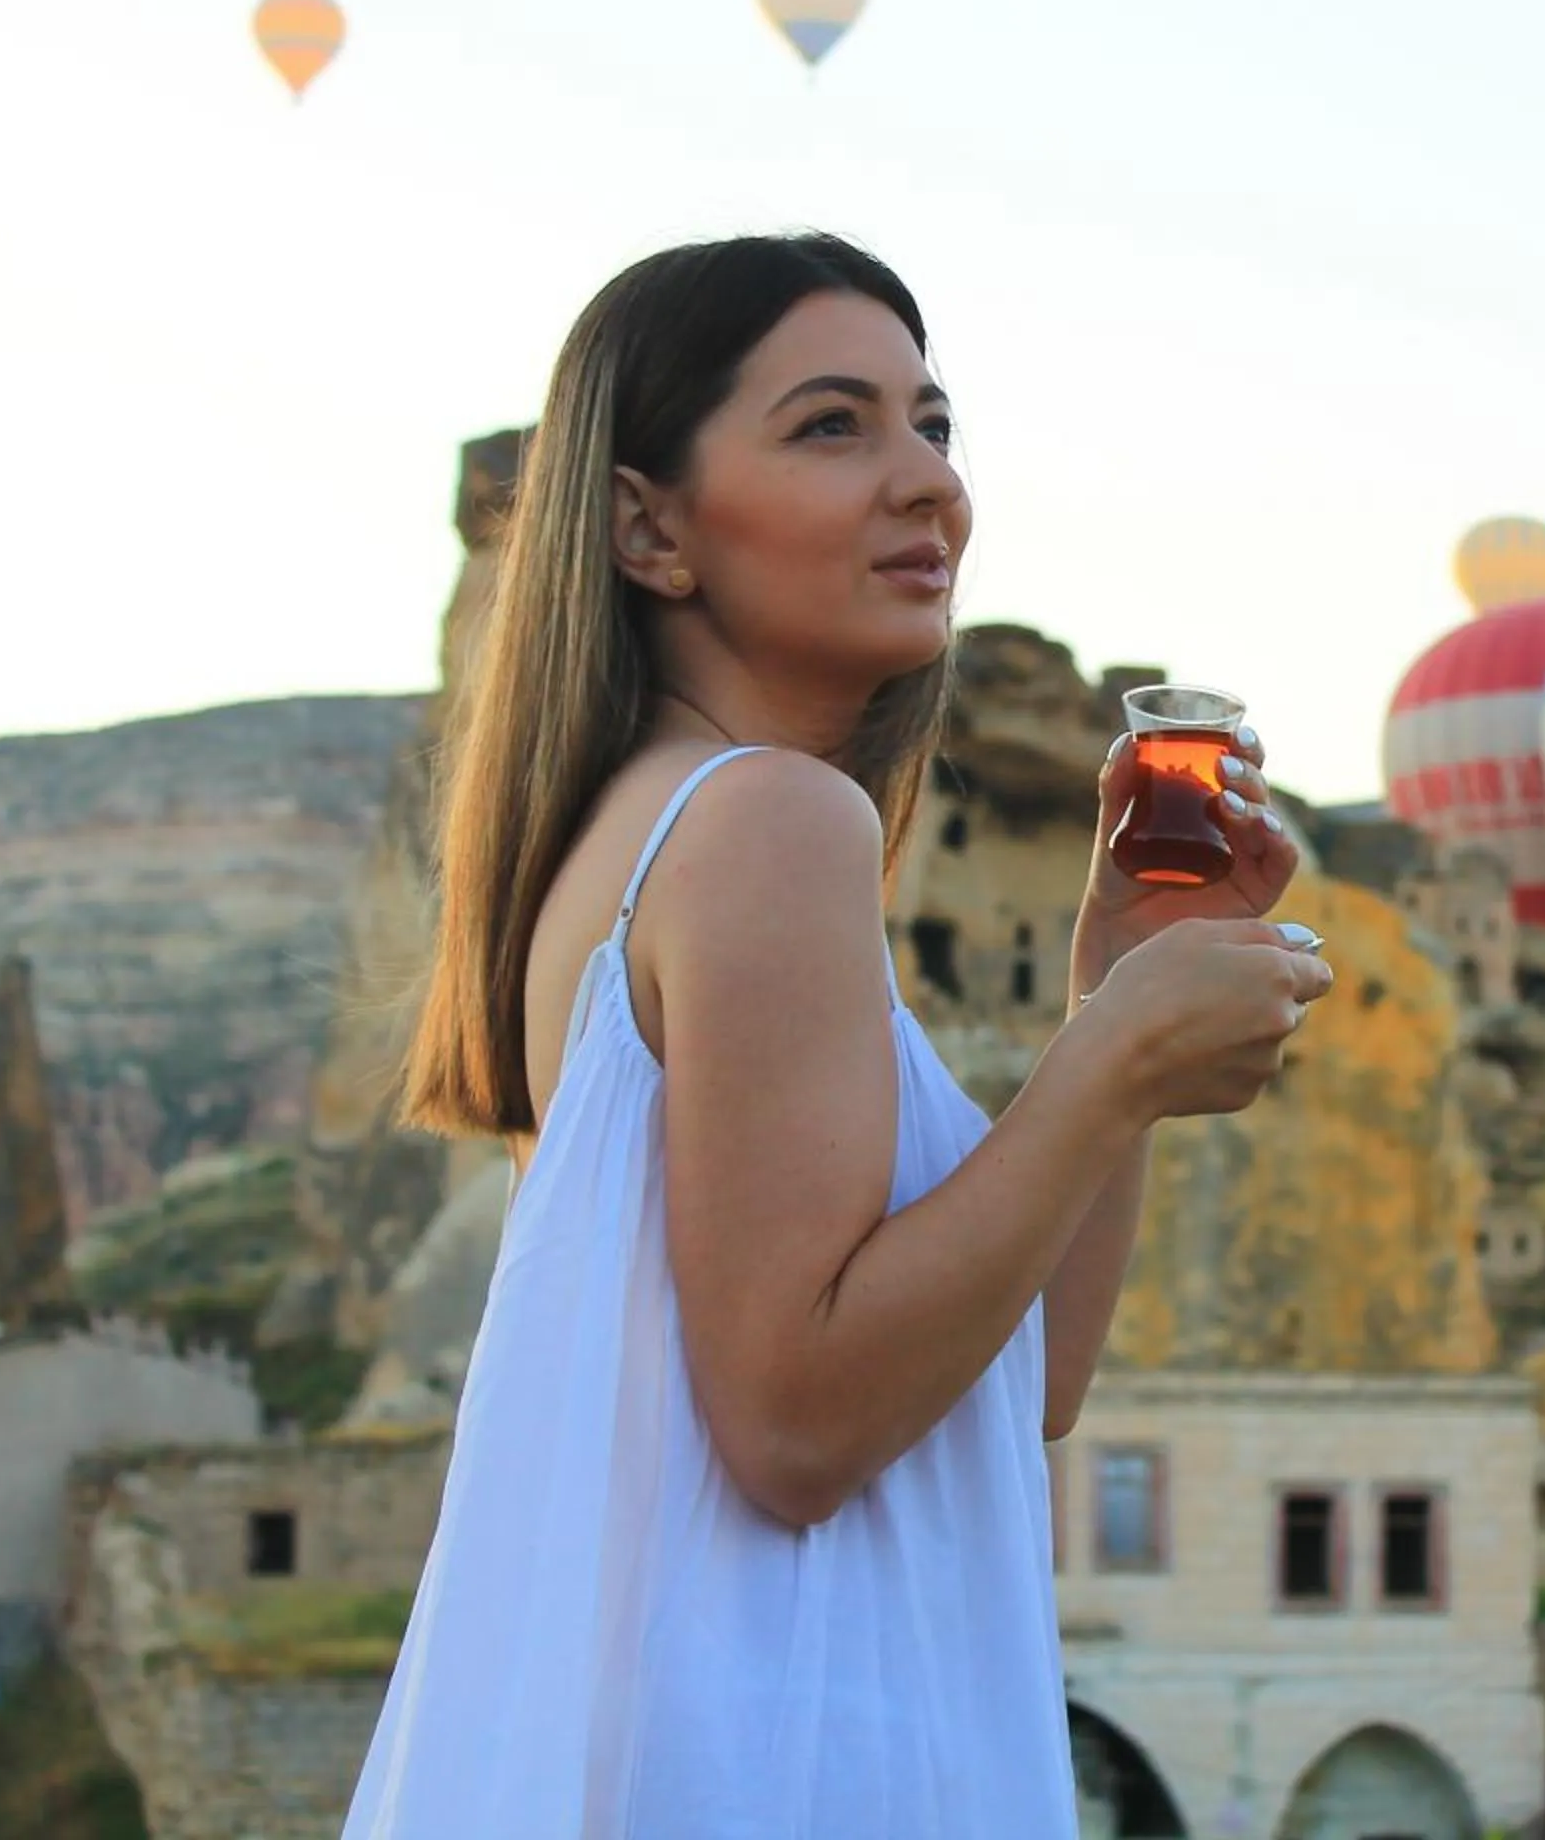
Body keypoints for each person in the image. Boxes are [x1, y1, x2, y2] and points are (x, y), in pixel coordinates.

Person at [340, 232, 1334, 1837]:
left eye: (933, 426)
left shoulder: (641, 832)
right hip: (790, 1759)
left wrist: (1116, 991)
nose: (926, 484)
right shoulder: (765, 823)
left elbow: (1021, 1382)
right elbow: (799, 1425)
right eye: (832, 426)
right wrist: (1108, 1062)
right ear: (647, 526)